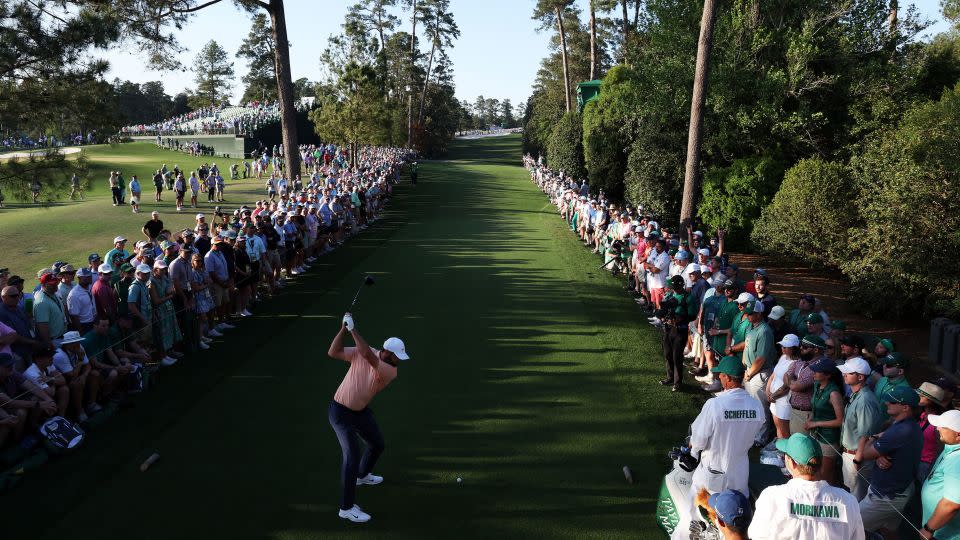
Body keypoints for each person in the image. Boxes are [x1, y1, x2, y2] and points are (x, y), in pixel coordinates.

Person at [327, 312, 410, 523]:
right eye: (397, 357)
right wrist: (343, 330)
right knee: (352, 455)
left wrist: (353, 329)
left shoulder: (389, 371)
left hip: (360, 411)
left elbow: (367, 355)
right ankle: (346, 508)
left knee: (377, 444)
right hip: (340, 412)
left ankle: (362, 476)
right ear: (387, 352)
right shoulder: (365, 353)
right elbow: (333, 351)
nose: (399, 361)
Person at [686, 356, 764, 519]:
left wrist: (693, 449)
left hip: (712, 474)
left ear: (728, 378)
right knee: (734, 517)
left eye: (720, 374)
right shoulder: (756, 406)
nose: (718, 377)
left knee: (695, 512)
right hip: (740, 475)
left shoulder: (714, 405)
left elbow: (698, 439)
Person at [748, 433, 864, 539]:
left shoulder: (771, 497)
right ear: (821, 463)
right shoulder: (848, 502)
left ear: (790, 462)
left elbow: (756, 535)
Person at [855, 385, 923, 539]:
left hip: (885, 497)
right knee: (889, 530)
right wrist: (879, 454)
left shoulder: (900, 431)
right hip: (899, 491)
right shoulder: (907, 425)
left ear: (905, 407)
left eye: (892, 402)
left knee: (852, 526)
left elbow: (865, 453)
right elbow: (890, 446)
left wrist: (873, 438)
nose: (887, 403)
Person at [837, 357, 883, 500]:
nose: (844, 375)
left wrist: (857, 460)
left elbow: (866, 434)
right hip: (851, 455)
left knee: (857, 498)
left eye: (848, 373)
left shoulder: (865, 401)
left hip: (857, 456)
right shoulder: (856, 394)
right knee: (852, 494)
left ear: (861, 377)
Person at [920, 409, 960, 540]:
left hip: (945, 535)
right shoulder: (952, 446)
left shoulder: (957, 460)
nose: (937, 429)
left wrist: (929, 528)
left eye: (943, 426)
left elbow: (952, 504)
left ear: (958, 434)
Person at [805, 357, 844, 485]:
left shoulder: (834, 393)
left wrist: (816, 423)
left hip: (828, 438)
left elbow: (840, 421)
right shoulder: (817, 385)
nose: (814, 373)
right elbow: (815, 407)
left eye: (817, 371)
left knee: (826, 475)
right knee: (816, 471)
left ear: (827, 375)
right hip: (815, 434)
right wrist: (811, 419)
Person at [660, 275, 696, 392]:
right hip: (668, 328)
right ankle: (670, 377)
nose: (673, 288)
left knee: (677, 356)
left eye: (675, 286)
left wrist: (680, 318)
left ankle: (678, 382)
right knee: (667, 354)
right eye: (672, 286)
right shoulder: (670, 295)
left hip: (680, 329)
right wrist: (663, 316)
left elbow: (692, 315)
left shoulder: (688, 298)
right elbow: (664, 308)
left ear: (681, 285)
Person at [766, 334, 799, 441]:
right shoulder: (782, 357)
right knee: (777, 426)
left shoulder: (795, 364)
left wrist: (774, 396)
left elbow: (787, 386)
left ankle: (785, 454)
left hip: (784, 401)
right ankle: (779, 448)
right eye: (782, 346)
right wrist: (767, 391)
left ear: (794, 348)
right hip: (774, 398)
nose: (783, 348)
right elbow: (773, 375)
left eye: (786, 347)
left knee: (784, 430)